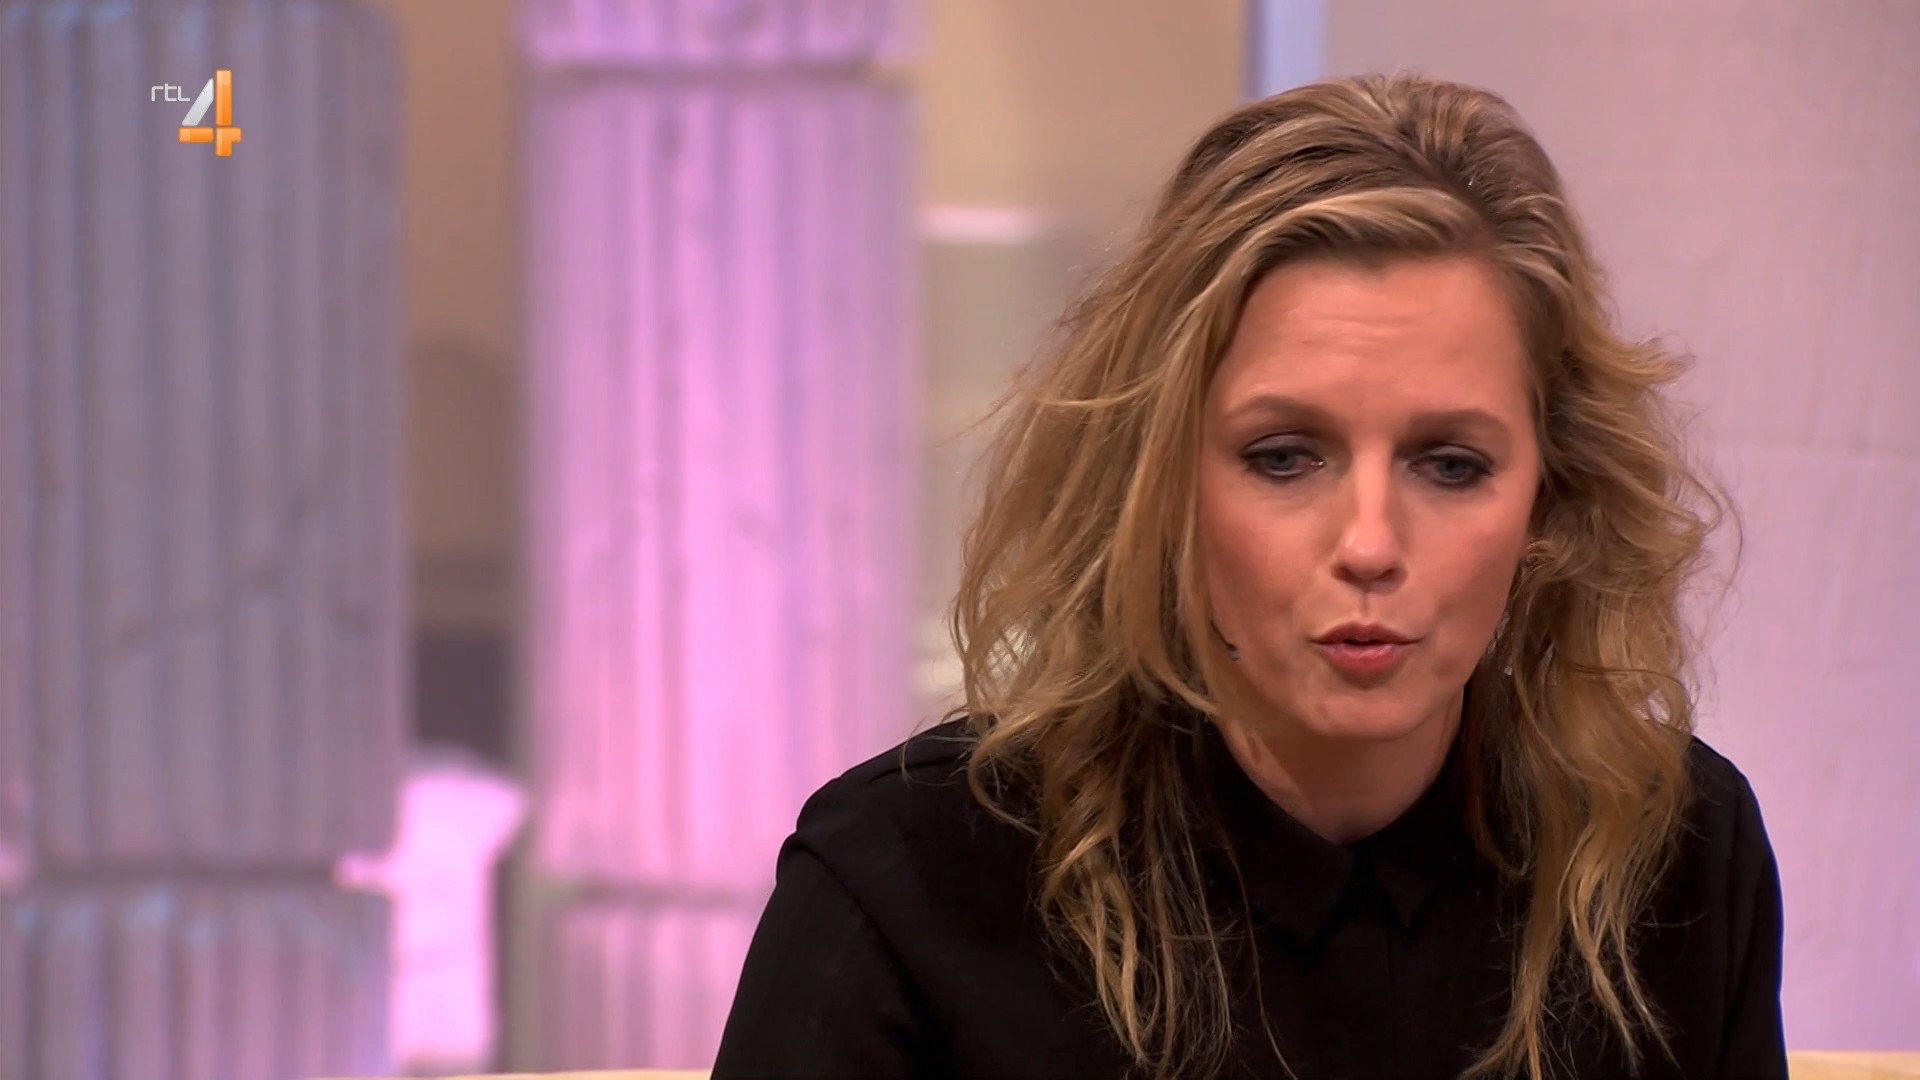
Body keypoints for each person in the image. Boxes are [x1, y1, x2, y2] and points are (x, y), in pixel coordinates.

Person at [711, 73, 1786, 1080]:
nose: (1369, 544)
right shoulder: (907, 882)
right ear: (1163, 483)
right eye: (1284, 457)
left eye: (1451, 465)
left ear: (1549, 500)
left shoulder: (1676, 853)